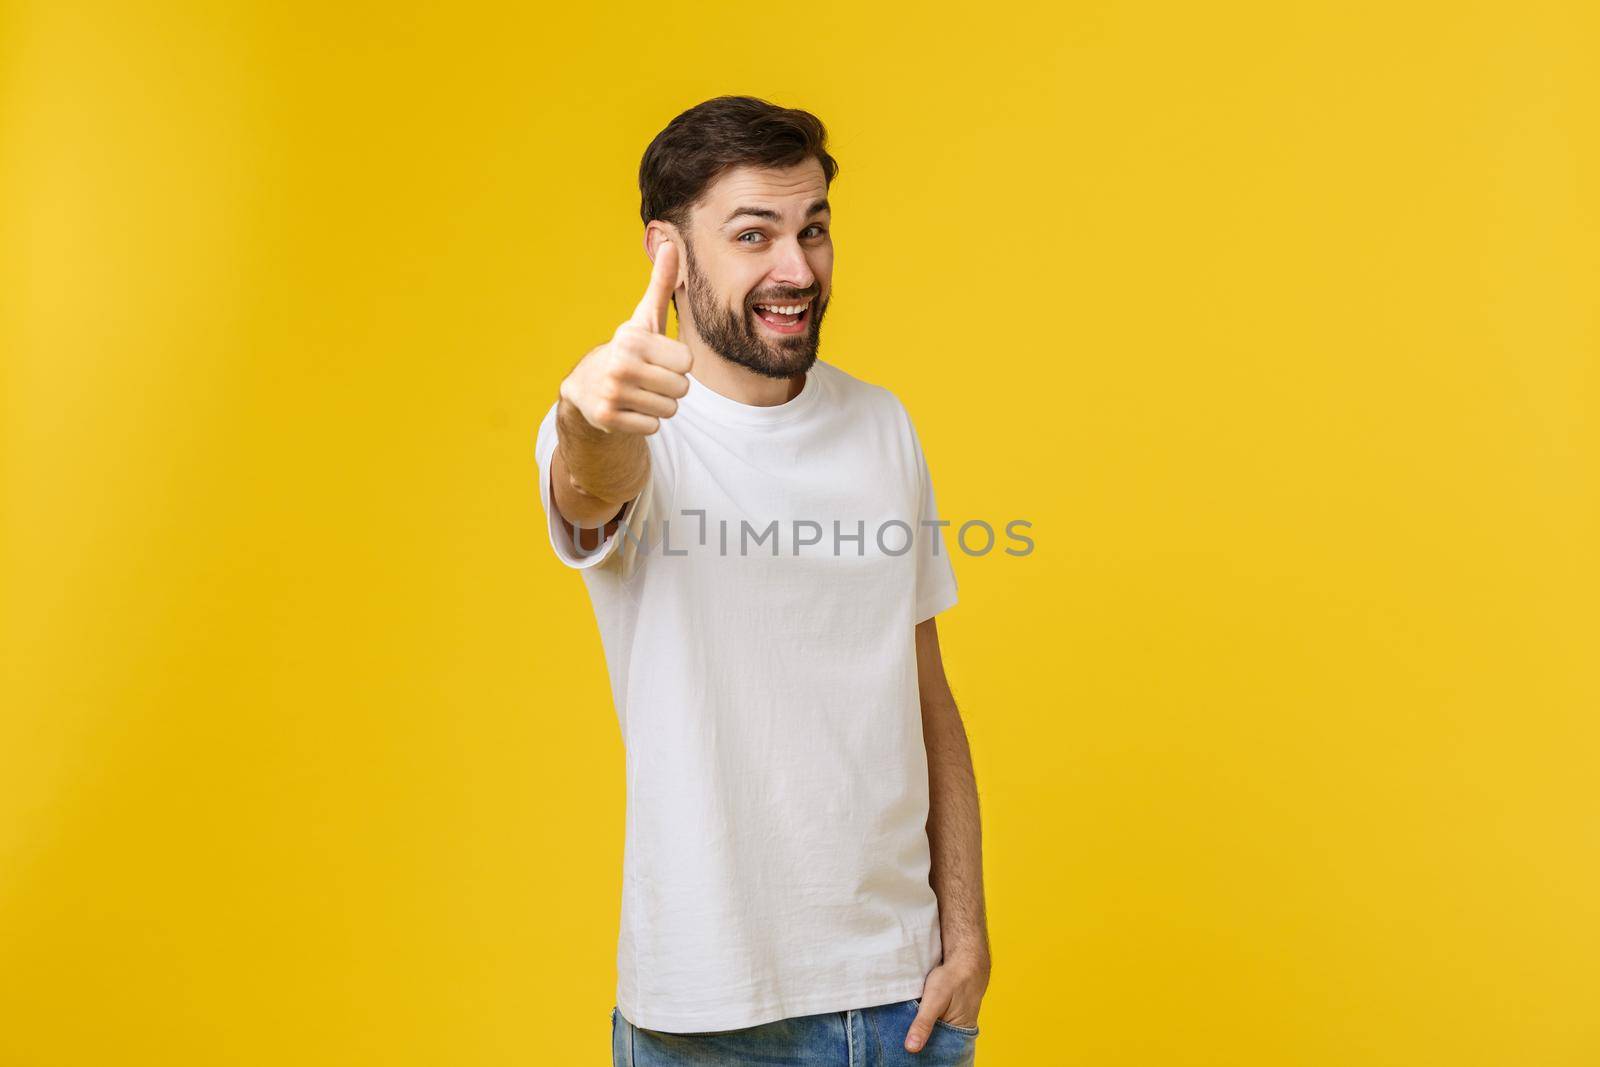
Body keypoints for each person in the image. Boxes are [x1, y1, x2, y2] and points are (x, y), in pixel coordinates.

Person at [534, 95, 991, 1065]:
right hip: (708, 1013)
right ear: (670, 250)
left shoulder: (882, 424)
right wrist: (591, 416)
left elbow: (925, 693)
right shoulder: (627, 427)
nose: (797, 269)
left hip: (903, 998)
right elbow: (590, 485)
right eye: (754, 235)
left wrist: (968, 936)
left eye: (812, 228)